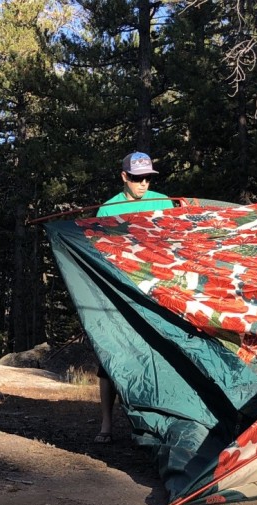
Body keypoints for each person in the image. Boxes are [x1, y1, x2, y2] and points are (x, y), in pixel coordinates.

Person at [92, 152, 175, 444]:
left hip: (159, 293)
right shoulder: (107, 210)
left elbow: (176, 243)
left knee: (158, 356)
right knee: (111, 358)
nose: (144, 184)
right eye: (138, 178)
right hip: (121, 293)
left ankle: (158, 423)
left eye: (148, 178)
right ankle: (106, 424)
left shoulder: (164, 202)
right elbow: (100, 253)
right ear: (124, 177)